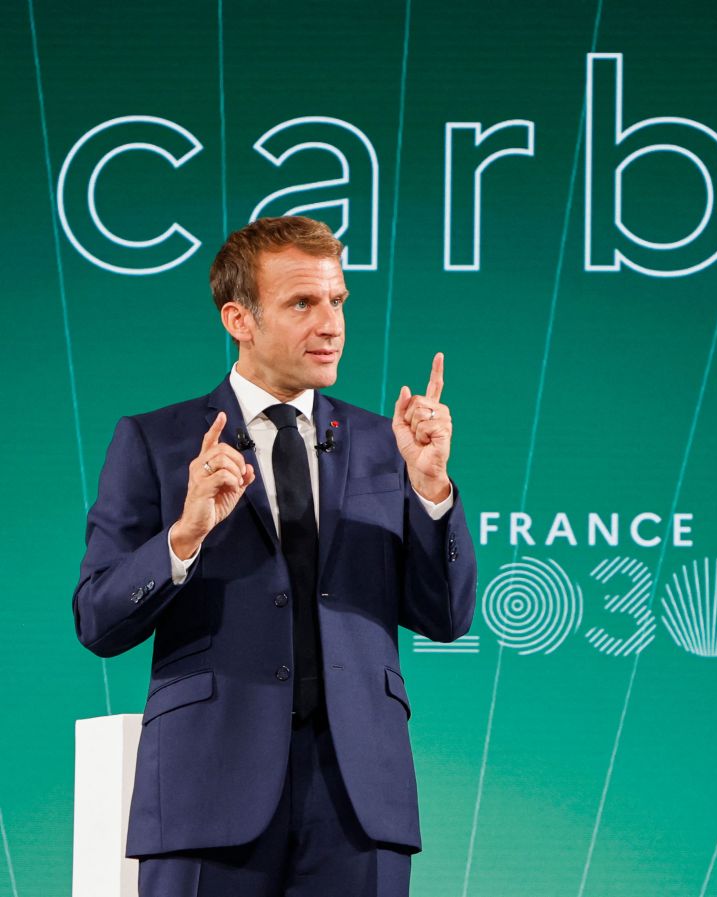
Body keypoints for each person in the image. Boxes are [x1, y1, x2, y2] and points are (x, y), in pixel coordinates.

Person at [72, 216, 478, 896]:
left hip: (358, 804)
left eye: (337, 301)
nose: (331, 324)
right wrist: (183, 537)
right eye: (302, 303)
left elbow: (446, 616)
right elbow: (97, 618)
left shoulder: (388, 444)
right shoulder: (157, 441)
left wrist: (432, 490)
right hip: (206, 792)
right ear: (239, 319)